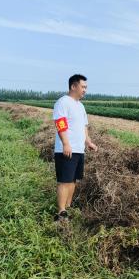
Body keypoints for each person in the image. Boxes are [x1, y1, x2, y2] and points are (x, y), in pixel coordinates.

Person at [53, 74, 98, 222]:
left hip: (79, 149)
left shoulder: (80, 105)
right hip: (66, 149)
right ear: (73, 86)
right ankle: (61, 213)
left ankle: (68, 207)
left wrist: (88, 142)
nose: (85, 90)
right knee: (64, 181)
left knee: (73, 180)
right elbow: (60, 123)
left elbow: (84, 127)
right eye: (83, 87)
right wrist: (66, 143)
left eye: (86, 87)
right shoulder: (63, 102)